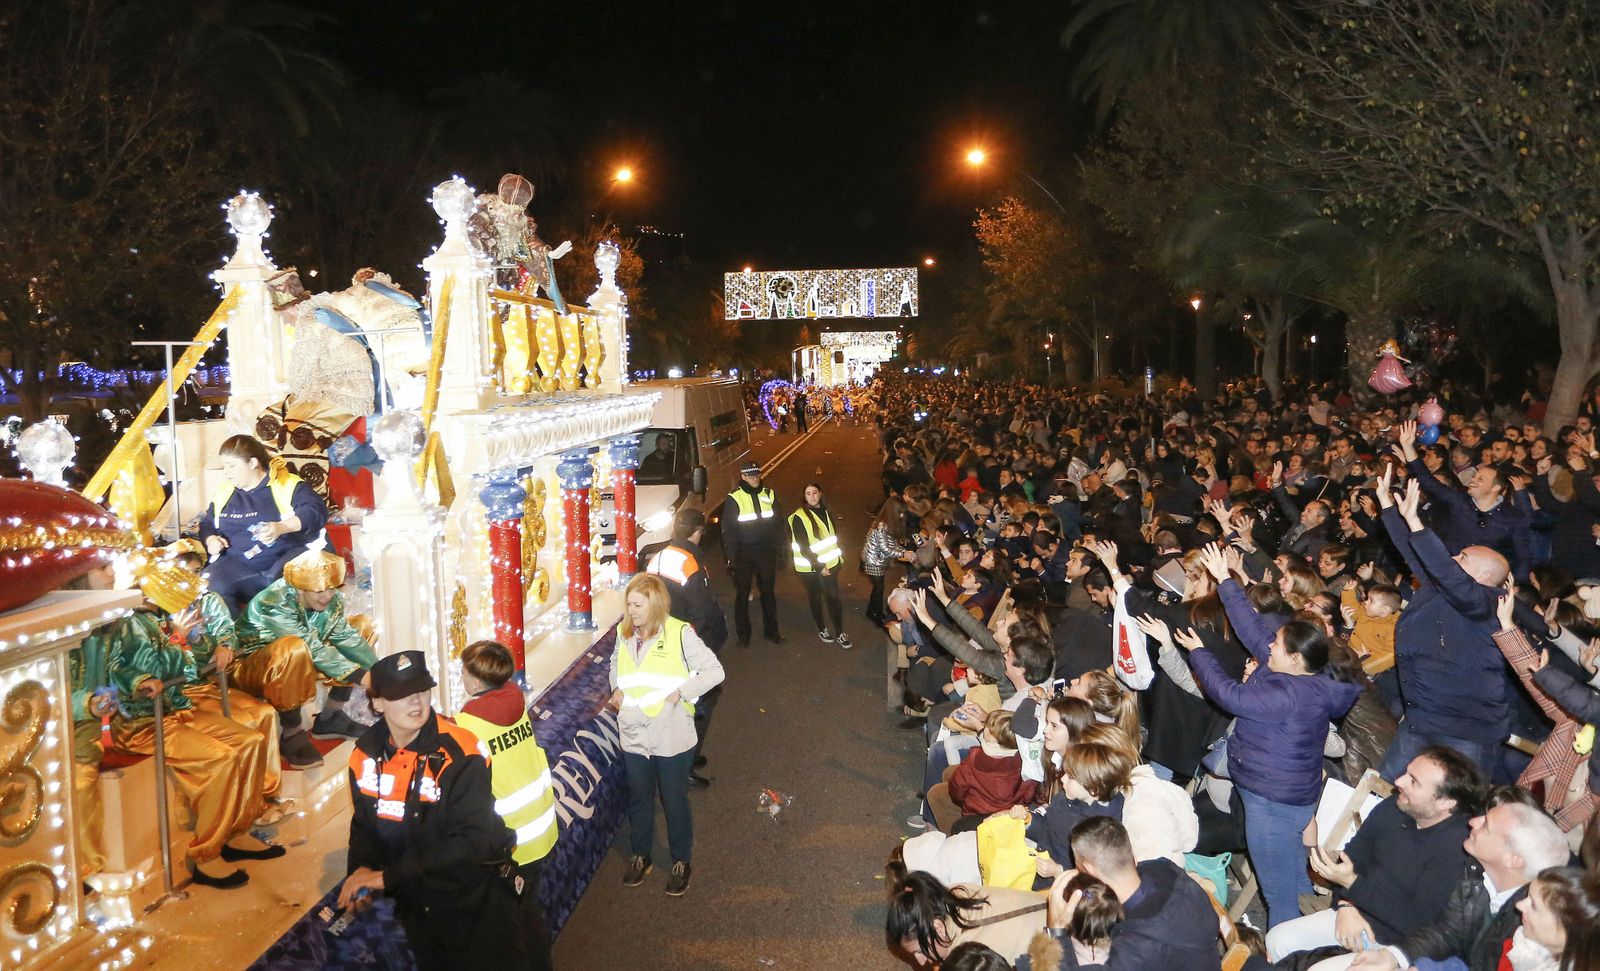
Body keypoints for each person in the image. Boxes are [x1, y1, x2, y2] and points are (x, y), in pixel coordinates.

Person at [1186, 542, 1363, 929]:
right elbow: (1252, 629)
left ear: (1296, 658)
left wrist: (1200, 653)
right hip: (1288, 794)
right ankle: (1312, 933)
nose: (1269, 647)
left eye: (1278, 646)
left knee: (1278, 892)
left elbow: (1229, 695)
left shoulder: (1286, 693)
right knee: (1295, 879)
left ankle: (1286, 950)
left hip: (1272, 802)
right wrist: (1224, 581)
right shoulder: (1304, 676)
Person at [93, 553, 282, 889]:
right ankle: (206, 853)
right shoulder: (128, 623)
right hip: (142, 724)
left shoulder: (150, 619)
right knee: (222, 760)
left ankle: (237, 832)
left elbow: (189, 668)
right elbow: (152, 673)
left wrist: (187, 642)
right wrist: (179, 640)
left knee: (251, 741)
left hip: (174, 710)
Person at [339, 650, 528, 970]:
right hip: (417, 907)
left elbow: (472, 841)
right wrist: (360, 867)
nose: (416, 701)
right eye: (402, 695)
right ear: (378, 702)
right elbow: (365, 823)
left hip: (472, 904)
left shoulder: (461, 751)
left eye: (422, 691)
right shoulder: (365, 755)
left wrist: (386, 877)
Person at [1264, 747, 1486, 962]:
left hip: (1396, 945)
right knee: (1278, 940)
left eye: (1413, 781)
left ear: (1446, 802)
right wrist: (1346, 904)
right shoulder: (1395, 806)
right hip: (1354, 910)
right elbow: (1354, 855)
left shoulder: (1458, 849)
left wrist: (1352, 884)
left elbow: (1415, 921)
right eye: (1407, 772)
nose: (1399, 781)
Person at [1374, 471, 1509, 779]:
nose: (1452, 559)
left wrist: (1419, 525)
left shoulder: (1490, 601)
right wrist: (1388, 508)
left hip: (1466, 732)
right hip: (1423, 718)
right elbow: (1412, 551)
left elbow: (1448, 575)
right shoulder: (1441, 586)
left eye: (1462, 557)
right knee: (1383, 789)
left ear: (1484, 577)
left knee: (1457, 809)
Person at [1339, 799, 1570, 971]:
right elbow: (1446, 933)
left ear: (1512, 860)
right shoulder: (1476, 874)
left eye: (1486, 825)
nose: (1472, 822)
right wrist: (1393, 956)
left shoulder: (1535, 920)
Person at [607, 573, 725, 895]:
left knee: (674, 800)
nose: (630, 611)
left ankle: (681, 860)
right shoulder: (624, 632)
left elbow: (715, 671)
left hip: (671, 733)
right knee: (639, 797)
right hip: (634, 732)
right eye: (628, 604)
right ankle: (640, 855)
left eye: (637, 605)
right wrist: (616, 686)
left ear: (655, 604)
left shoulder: (680, 633)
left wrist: (681, 693)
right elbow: (617, 661)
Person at [455, 641, 556, 971]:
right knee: (529, 916)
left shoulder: (469, 726)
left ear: (474, 680)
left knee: (510, 932)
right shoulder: (515, 702)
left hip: (510, 844)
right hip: (539, 829)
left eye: (463, 672)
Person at [235, 541, 379, 758]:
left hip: (304, 657)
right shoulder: (274, 602)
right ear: (300, 588)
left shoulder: (330, 600)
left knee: (360, 626)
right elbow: (312, 648)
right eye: (319, 591)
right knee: (294, 647)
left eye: (332, 588)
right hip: (254, 668)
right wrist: (363, 677)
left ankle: (332, 715)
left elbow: (346, 638)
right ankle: (291, 732)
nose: (327, 596)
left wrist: (379, 675)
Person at [1025, 816, 1220, 970]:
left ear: (1090, 871)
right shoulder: (1161, 868)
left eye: (1078, 869)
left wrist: (1055, 929)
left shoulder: (1139, 945)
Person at [644, 506, 729, 788]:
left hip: (661, 641)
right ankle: (685, 764)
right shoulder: (689, 563)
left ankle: (686, 756)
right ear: (696, 532)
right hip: (687, 647)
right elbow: (702, 613)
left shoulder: (656, 559)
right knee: (699, 705)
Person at [197, 434, 328, 613]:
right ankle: (232, 638)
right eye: (224, 466)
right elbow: (207, 523)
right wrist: (211, 539)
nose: (226, 472)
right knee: (209, 584)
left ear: (252, 463)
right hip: (238, 565)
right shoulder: (224, 492)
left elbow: (315, 511)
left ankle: (288, 636)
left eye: (232, 466)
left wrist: (282, 527)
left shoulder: (286, 484)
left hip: (281, 563)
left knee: (286, 587)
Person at [886, 868, 1047, 967]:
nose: (920, 962)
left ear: (939, 928)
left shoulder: (968, 958)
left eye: (919, 951)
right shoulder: (956, 893)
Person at [722, 460, 784, 646]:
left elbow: (779, 525)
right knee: (742, 595)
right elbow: (728, 531)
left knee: (768, 593)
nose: (754, 478)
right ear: (743, 477)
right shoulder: (735, 498)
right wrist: (731, 559)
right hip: (744, 554)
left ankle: (771, 631)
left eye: (756, 474)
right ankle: (743, 635)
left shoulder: (769, 495)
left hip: (766, 552)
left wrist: (782, 550)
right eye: (750, 475)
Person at [789, 482, 852, 647]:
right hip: (810, 568)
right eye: (808, 493)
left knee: (833, 598)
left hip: (830, 565)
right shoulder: (799, 517)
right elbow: (803, 546)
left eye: (815, 492)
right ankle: (822, 628)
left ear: (820, 493)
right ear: (804, 496)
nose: (812, 496)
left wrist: (837, 562)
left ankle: (840, 632)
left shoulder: (826, 512)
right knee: (815, 597)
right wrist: (819, 566)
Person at [1512, 867, 1600, 971]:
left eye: (1534, 906)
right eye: (1528, 895)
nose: (1519, 905)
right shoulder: (1523, 945)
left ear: (1569, 931)